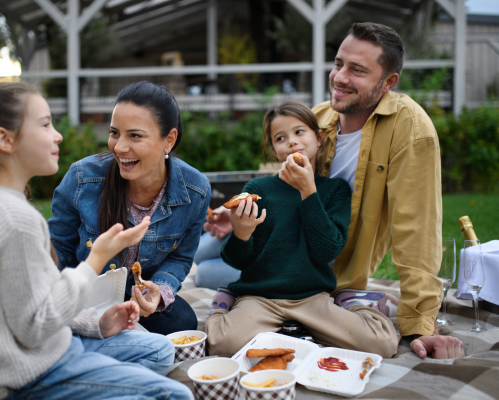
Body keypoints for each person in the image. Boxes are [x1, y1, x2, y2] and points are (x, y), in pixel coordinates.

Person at [200, 22, 464, 359]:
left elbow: (418, 230)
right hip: (275, 248)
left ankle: (351, 302)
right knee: (205, 255)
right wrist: (237, 214)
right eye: (338, 63)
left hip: (321, 269)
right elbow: (277, 182)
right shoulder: (321, 118)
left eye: (357, 70)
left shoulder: (410, 129)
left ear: (388, 83)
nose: (339, 77)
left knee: (206, 270)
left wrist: (421, 322)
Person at [0, 82, 193, 400]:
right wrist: (96, 258)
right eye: (46, 124)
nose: (58, 135)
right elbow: (37, 323)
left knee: (159, 349)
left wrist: (95, 323)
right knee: (175, 395)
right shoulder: (13, 219)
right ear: (5, 140)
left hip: (46, 347)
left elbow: (31, 302)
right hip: (26, 375)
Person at [205, 100, 398, 358]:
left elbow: (326, 250)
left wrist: (308, 191)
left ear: (318, 138)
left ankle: (349, 303)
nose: (292, 142)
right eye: (280, 138)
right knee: (221, 345)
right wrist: (240, 233)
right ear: (274, 150)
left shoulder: (335, 190)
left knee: (382, 344)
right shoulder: (257, 189)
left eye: (299, 132)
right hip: (261, 296)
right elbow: (237, 260)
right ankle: (224, 303)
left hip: (312, 297)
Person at [48, 81, 211, 335]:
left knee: (182, 322)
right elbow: (58, 248)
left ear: (169, 139)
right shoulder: (82, 178)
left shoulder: (195, 190)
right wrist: (56, 304)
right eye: (115, 133)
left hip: (136, 302)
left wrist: (159, 291)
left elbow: (180, 258)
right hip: (85, 296)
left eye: (135, 135)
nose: (119, 147)